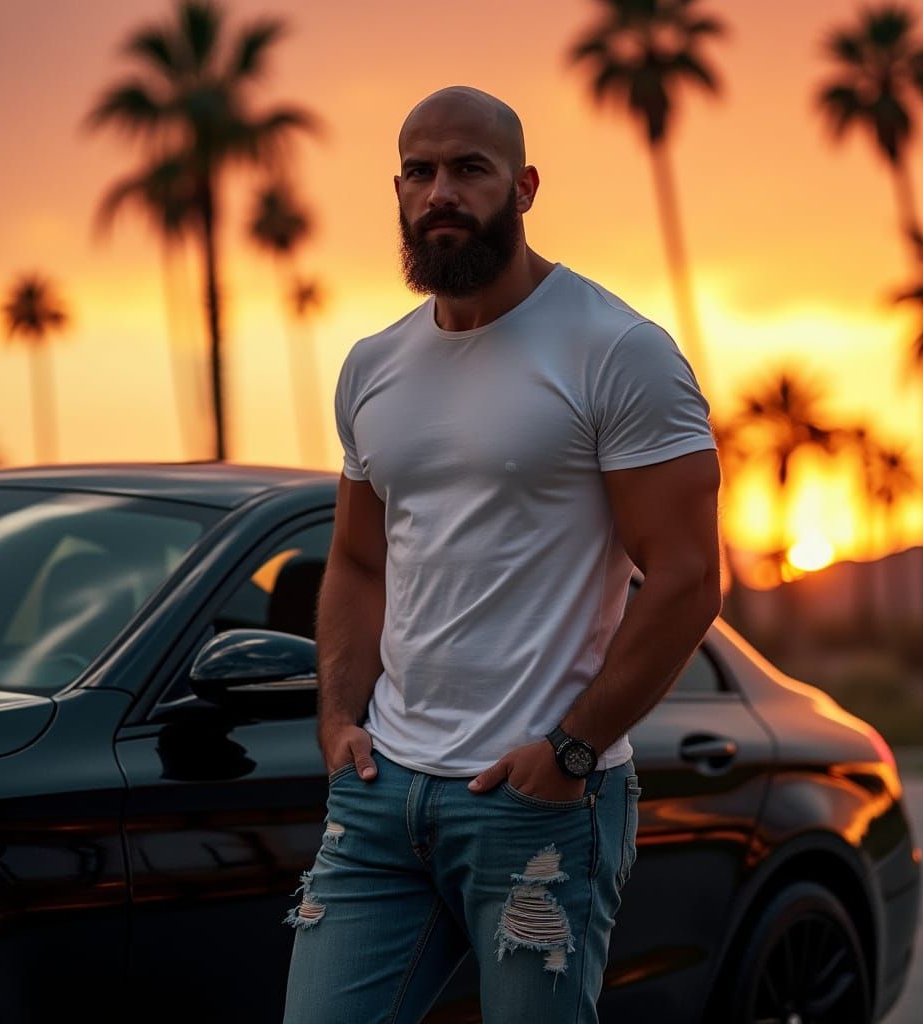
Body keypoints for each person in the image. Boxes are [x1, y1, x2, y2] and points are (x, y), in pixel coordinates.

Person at [282, 85, 721, 1024]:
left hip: (536, 805)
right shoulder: (372, 366)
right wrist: (336, 718)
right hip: (379, 795)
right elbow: (359, 563)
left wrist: (569, 751)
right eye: (421, 171)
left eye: (469, 170)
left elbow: (686, 578)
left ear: (523, 187)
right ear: (397, 189)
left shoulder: (616, 351)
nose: (442, 191)